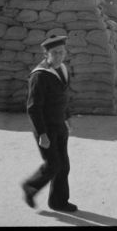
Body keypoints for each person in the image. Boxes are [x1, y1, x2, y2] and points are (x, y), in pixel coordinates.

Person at [21, 35, 77, 212]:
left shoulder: (62, 69)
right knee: (53, 165)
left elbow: (63, 97)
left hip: (60, 124)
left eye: (62, 52)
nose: (59, 56)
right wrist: (42, 134)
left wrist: (67, 118)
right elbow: (33, 108)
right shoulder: (39, 76)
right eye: (55, 53)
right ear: (46, 54)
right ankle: (30, 187)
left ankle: (58, 202)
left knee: (64, 165)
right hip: (45, 128)